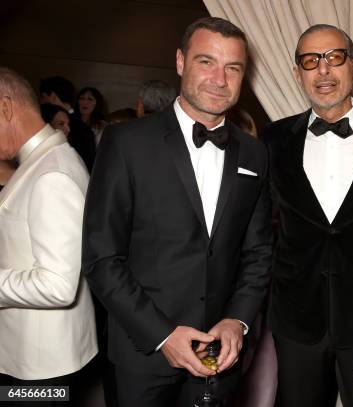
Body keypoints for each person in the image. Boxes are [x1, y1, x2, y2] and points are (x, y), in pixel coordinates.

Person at [82, 17, 272, 407]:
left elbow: (258, 253)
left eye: (232, 68)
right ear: (181, 62)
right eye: (206, 62)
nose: (220, 78)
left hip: (220, 356)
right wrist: (163, 335)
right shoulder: (126, 142)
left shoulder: (254, 153)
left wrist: (238, 320)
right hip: (143, 354)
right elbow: (102, 258)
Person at [263, 24, 353, 407]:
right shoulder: (271, 140)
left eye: (334, 57)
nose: (323, 70)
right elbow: (259, 232)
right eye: (310, 61)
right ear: (297, 73)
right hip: (296, 319)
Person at [0, 67, 98, 405]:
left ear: (5, 107)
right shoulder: (40, 162)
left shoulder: (51, 172)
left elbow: (57, 285)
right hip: (35, 358)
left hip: (41, 367)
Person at [39, 76, 96, 172]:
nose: (41, 102)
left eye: (43, 97)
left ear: (52, 96)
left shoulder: (49, 123)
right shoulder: (83, 126)